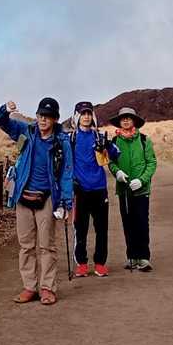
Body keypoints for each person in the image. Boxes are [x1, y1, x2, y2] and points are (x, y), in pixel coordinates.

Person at [0, 97, 75, 305]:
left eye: (47, 116)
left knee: (47, 246)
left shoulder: (62, 141)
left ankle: (47, 288)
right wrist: (5, 110)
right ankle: (30, 287)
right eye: (40, 115)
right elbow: (2, 122)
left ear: (55, 119)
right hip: (23, 195)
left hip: (47, 197)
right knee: (26, 245)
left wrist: (66, 202)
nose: (43, 119)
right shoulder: (27, 131)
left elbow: (67, 172)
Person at [68, 100, 118, 278]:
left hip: (99, 189)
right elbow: (65, 162)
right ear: (77, 116)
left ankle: (100, 263)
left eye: (89, 113)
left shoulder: (100, 136)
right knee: (80, 229)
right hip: (80, 190)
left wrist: (107, 146)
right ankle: (81, 264)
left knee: (101, 229)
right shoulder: (71, 139)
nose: (86, 117)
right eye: (83, 113)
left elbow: (115, 154)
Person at [107, 105, 157, 272]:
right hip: (124, 190)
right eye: (123, 118)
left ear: (134, 121)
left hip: (141, 190)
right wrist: (117, 172)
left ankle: (143, 257)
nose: (126, 120)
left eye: (129, 118)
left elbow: (151, 163)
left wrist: (142, 180)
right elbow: (111, 162)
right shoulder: (114, 142)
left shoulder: (144, 140)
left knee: (141, 222)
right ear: (119, 122)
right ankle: (132, 256)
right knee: (127, 223)